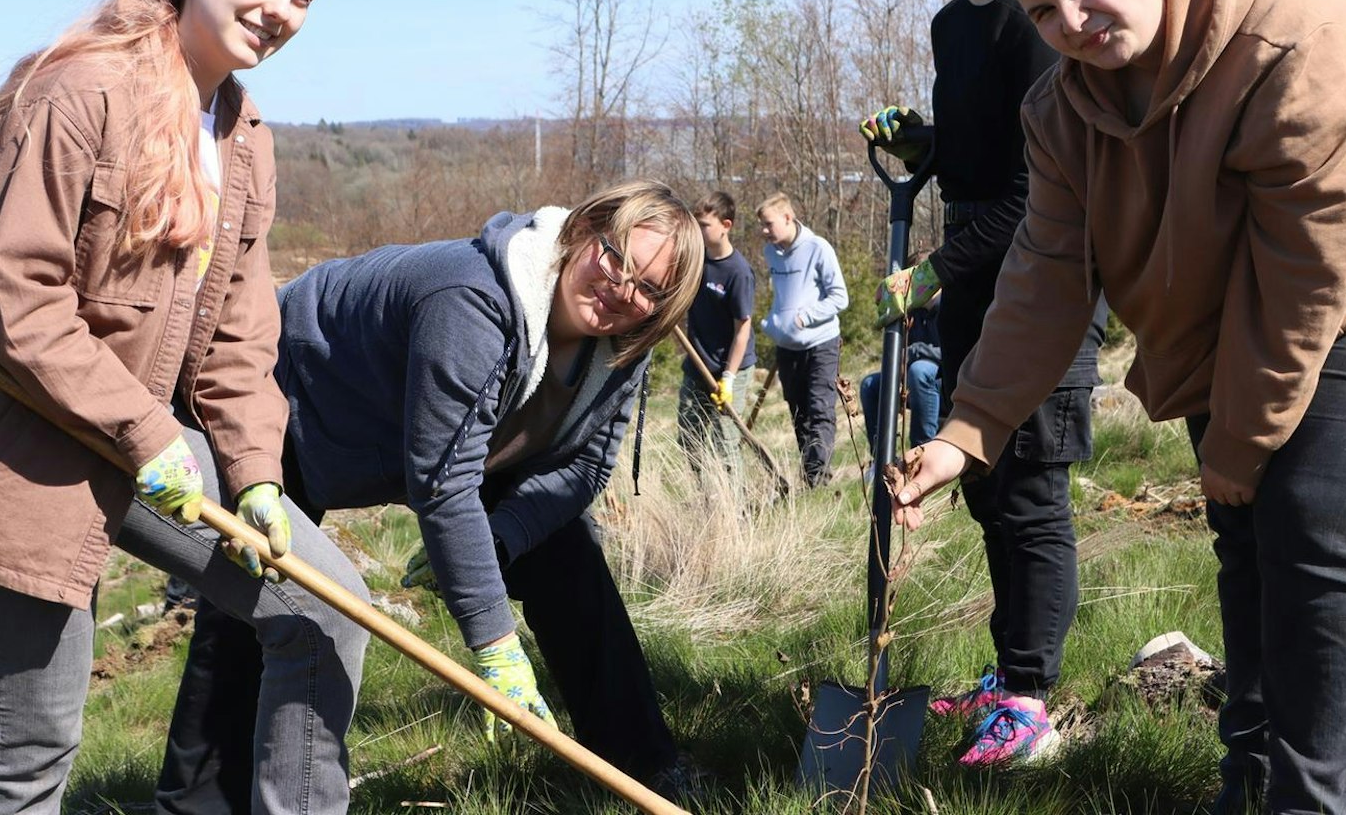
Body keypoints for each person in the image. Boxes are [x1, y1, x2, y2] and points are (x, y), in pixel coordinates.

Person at [892, 0, 1346, 814]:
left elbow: (1310, 268)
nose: (1070, 21)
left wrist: (1241, 440)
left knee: (1312, 519)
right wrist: (966, 431)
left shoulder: (1297, 36)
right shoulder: (1061, 112)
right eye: (1042, 11)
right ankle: (1253, 778)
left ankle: (1314, 800)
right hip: (1237, 306)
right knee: (1243, 529)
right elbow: (1045, 278)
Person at [0, 0, 336, 814]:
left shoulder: (242, 134)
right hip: (17, 446)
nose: (280, 10)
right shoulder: (78, 94)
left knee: (325, 605)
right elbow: (14, 298)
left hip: (136, 441)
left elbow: (239, 334)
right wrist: (144, 435)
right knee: (34, 741)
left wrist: (256, 472)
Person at [156, 180, 706, 812]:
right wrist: (496, 646)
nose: (621, 290)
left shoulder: (620, 347)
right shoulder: (473, 296)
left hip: (450, 438)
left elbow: (584, 469)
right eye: (617, 259)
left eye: (649, 290)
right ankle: (197, 804)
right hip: (295, 399)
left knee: (569, 554)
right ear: (584, 231)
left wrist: (503, 539)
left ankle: (643, 767)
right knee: (259, 595)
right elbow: (444, 485)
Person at [861, 0, 1108, 766]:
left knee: (1032, 491)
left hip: (1044, 277)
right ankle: (1009, 683)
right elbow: (976, 169)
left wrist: (933, 268)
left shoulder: (1030, 25)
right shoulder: (951, 28)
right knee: (987, 487)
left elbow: (1037, 189)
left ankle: (1034, 706)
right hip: (977, 278)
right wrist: (924, 144)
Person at [756, 192, 849, 489]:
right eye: (762, 225)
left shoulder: (818, 248)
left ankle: (818, 480)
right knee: (798, 412)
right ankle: (811, 475)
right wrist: (772, 323)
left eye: (769, 224)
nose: (764, 231)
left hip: (821, 343)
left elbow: (840, 297)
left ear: (788, 218)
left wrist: (806, 317)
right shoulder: (771, 253)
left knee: (820, 408)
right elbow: (783, 298)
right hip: (787, 347)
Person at [676, 190, 757, 481]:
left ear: (726, 226)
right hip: (697, 366)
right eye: (696, 224)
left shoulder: (738, 272)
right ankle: (705, 500)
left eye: (705, 225)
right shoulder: (695, 261)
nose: (698, 230)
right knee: (689, 438)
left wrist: (729, 378)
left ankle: (732, 513)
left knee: (725, 444)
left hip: (730, 369)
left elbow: (742, 329)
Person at [858, 253, 942, 454]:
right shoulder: (907, 311)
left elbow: (949, 351)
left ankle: (920, 452)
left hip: (944, 381)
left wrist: (911, 353)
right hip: (910, 382)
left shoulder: (949, 306)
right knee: (870, 385)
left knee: (919, 371)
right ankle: (880, 458)